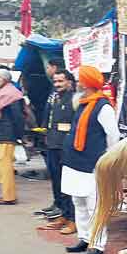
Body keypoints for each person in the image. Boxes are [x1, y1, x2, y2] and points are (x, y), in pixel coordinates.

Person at [61, 65, 120, 254]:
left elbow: (113, 136)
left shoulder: (103, 107)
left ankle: (97, 244)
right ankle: (84, 237)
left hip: (93, 163)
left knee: (94, 205)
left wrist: (107, 161)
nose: (78, 83)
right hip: (74, 162)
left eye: (80, 80)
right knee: (78, 201)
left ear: (87, 84)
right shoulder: (82, 102)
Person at [37, 70, 76, 234]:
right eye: (55, 81)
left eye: (61, 81)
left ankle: (73, 219)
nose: (58, 84)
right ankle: (63, 214)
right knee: (57, 182)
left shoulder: (75, 98)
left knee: (68, 185)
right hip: (52, 143)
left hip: (66, 146)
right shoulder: (53, 97)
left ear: (69, 82)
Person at [0, 68, 25, 205]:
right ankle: (7, 195)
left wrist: (18, 135)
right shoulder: (5, 93)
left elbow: (18, 118)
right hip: (2, 134)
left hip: (6, 135)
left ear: (6, 79)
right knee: (2, 167)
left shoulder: (11, 94)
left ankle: (9, 197)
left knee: (5, 167)